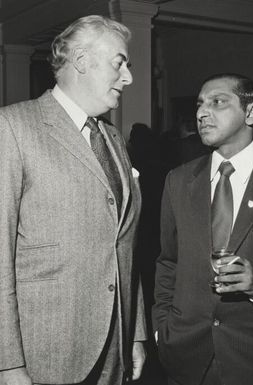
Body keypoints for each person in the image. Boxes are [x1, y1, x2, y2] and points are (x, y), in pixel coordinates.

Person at [0, 15, 147, 385]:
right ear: (81, 61)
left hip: (115, 348)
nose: (128, 77)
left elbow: (124, 243)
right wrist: (7, 364)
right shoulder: (13, 128)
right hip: (45, 355)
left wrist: (135, 333)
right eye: (119, 63)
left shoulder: (113, 138)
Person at [152, 73, 253, 385]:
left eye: (218, 102)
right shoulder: (177, 180)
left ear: (252, 113)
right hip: (186, 357)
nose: (202, 113)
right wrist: (162, 329)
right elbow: (168, 262)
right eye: (200, 105)